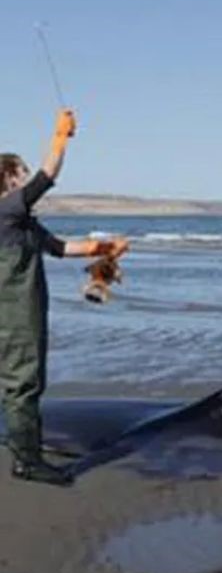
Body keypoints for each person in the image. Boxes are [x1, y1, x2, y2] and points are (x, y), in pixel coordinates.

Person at [0, 109, 129, 486]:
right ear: (6, 179)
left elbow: (59, 247)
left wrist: (105, 247)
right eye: (18, 175)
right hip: (13, 314)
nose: (24, 181)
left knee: (19, 379)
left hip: (23, 310)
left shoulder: (22, 222)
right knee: (23, 381)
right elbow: (47, 177)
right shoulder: (5, 209)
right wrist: (60, 137)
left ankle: (23, 444)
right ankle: (26, 460)